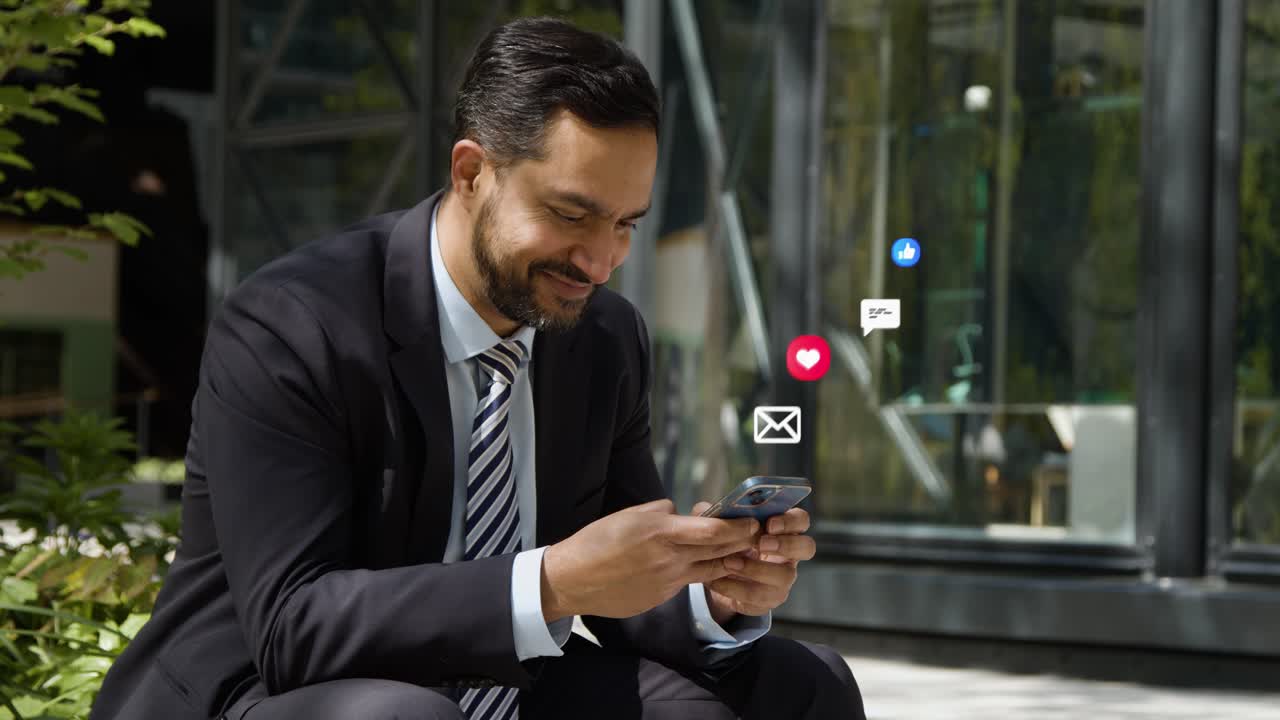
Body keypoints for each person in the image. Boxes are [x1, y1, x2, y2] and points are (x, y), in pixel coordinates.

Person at [89, 17, 864, 720]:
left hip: (506, 682)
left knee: (802, 683)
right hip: (264, 691)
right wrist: (552, 582)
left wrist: (711, 593)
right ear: (471, 173)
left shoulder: (604, 339)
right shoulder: (293, 325)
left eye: (626, 225)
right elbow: (294, 628)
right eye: (570, 214)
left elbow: (619, 580)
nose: (600, 261)